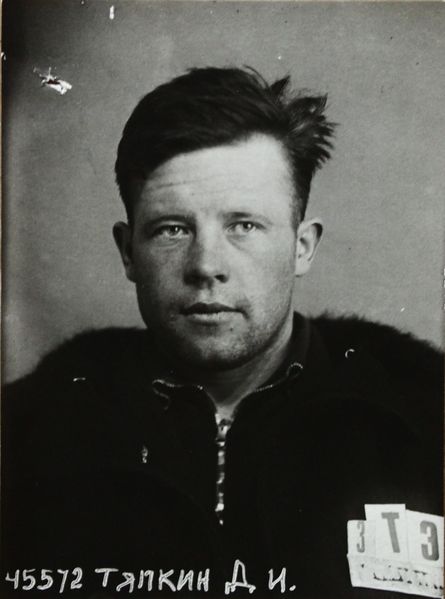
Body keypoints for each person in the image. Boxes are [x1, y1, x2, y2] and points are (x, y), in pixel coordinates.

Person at [1, 67, 443, 599]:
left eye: (244, 226)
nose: (206, 265)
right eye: (172, 229)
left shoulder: (425, 422)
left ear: (302, 247)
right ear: (128, 252)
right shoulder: (24, 436)